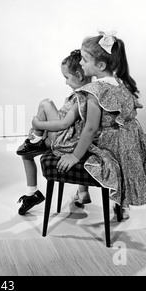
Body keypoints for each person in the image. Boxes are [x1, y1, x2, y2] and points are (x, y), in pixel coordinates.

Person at [56, 31, 146, 218]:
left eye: (84, 60)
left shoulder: (95, 90)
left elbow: (90, 128)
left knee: (71, 140)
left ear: (100, 65)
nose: (80, 63)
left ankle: (83, 192)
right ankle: (120, 204)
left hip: (110, 143)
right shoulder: (120, 82)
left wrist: (74, 156)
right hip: (129, 141)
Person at [16, 50, 91, 215]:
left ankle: (35, 139)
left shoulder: (83, 96)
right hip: (75, 140)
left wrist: (39, 124)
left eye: (66, 77)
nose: (65, 83)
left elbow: (64, 123)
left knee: (45, 103)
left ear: (79, 75)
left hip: (64, 140)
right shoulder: (90, 93)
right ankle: (82, 191)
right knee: (26, 153)